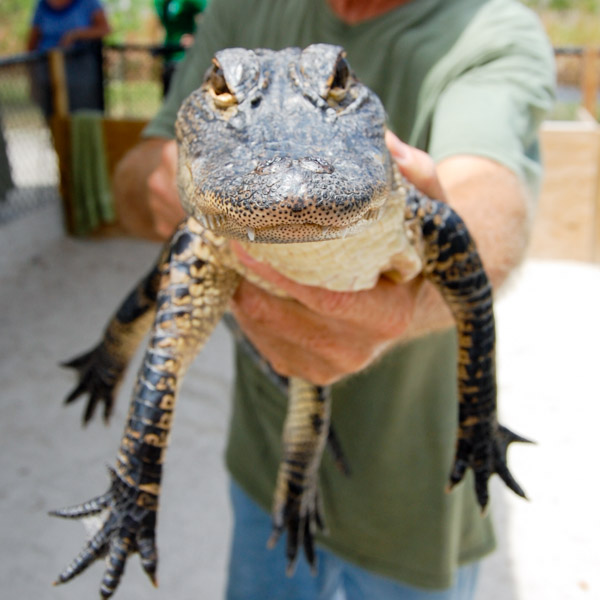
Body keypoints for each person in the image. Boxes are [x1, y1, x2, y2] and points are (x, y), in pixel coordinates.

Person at [112, 0, 555, 598]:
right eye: (223, 88)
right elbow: (138, 178)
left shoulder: (490, 26)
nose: (291, 185)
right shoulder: (238, 10)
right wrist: (168, 184)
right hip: (263, 467)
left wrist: (411, 306)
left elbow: (489, 206)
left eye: (336, 84)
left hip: (419, 487)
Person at [26, 0, 111, 117]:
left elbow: (105, 29)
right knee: (52, 115)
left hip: (80, 71)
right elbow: (32, 41)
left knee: (82, 113)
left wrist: (76, 34)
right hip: (46, 69)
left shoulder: (89, 3)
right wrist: (31, 74)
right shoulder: (42, 4)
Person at [154, 0, 209, 96]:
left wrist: (195, 37)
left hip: (184, 59)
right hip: (169, 57)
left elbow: (211, 14)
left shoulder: (186, 2)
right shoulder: (159, 3)